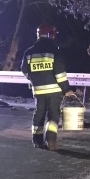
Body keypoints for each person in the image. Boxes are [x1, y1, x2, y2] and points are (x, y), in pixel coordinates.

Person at [21, 23, 75, 151]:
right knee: (53, 116)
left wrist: (34, 79)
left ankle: (37, 141)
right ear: (51, 34)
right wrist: (66, 89)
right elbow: (60, 73)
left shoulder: (29, 52)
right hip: (54, 91)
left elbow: (25, 70)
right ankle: (51, 141)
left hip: (38, 91)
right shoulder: (54, 51)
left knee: (39, 114)